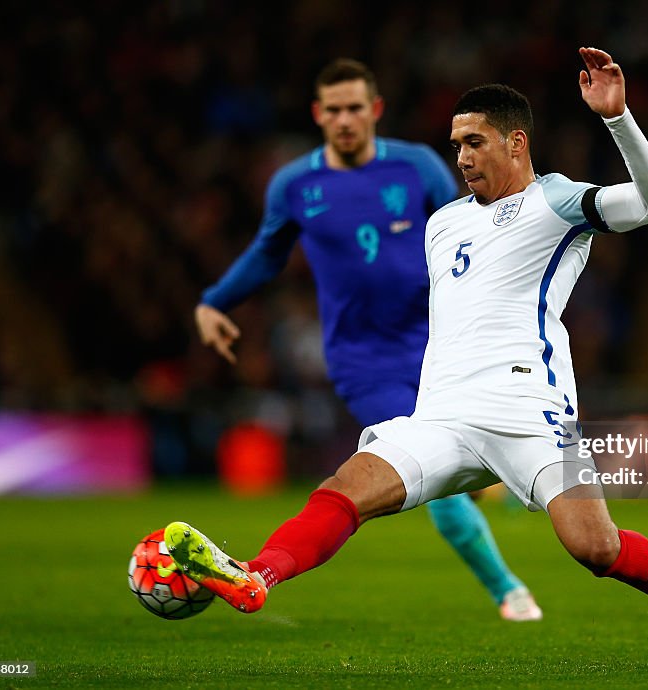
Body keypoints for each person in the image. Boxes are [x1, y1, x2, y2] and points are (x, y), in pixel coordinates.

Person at [170, 47, 648, 668]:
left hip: (531, 411)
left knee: (596, 549)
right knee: (346, 488)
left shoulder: (555, 202)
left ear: (516, 143)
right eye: (456, 145)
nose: (463, 157)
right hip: (442, 416)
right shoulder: (443, 222)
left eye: (475, 142)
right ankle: (255, 576)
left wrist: (617, 119)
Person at [194, 58, 541, 621]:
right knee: (436, 478)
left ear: (374, 110)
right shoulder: (296, 185)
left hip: (440, 345)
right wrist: (216, 301)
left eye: (355, 107)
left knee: (458, 460)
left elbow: (474, 225)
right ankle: (508, 590)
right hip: (362, 362)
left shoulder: (418, 167)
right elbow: (267, 253)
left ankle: (490, 490)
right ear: (317, 115)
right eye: (333, 110)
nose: (345, 119)